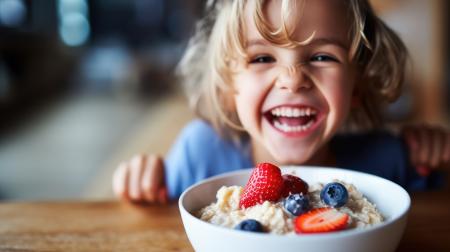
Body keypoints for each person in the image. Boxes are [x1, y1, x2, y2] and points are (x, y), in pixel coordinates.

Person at [112, 0, 450, 204]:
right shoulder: (200, 154)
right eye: (261, 58)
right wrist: (142, 183)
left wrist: (434, 154)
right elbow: (160, 218)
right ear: (230, 87)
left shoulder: (388, 163)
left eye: (321, 56)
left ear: (357, 84)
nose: (292, 78)